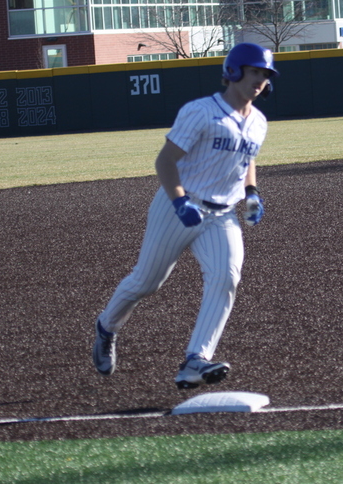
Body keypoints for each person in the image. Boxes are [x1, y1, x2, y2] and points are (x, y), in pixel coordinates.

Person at [92, 43, 278, 389]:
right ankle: (107, 326)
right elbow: (165, 161)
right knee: (147, 283)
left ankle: (196, 359)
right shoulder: (201, 111)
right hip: (178, 205)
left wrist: (251, 193)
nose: (261, 80)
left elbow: (247, 159)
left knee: (226, 278)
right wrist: (179, 201)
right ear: (234, 72)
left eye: (266, 75)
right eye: (255, 72)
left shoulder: (259, 122)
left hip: (222, 215)